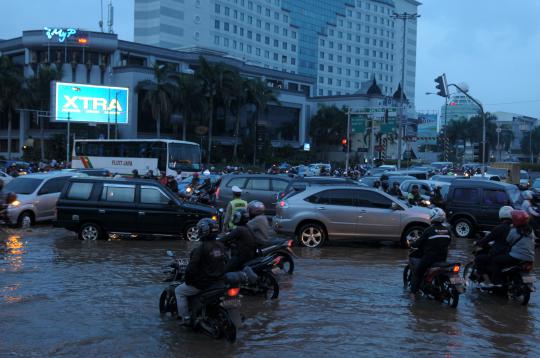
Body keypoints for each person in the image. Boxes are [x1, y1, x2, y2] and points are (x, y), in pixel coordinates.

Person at [175, 218, 227, 324]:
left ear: (203, 231)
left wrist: (188, 280)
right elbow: (225, 262)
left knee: (179, 291)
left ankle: (186, 319)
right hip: (219, 282)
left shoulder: (200, 249)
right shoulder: (221, 246)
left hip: (204, 284)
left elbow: (191, 268)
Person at [410, 208, 451, 294]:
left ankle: (413, 295)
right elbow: (448, 242)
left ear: (432, 217)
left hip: (429, 259)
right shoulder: (447, 231)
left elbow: (418, 243)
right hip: (442, 258)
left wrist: (412, 244)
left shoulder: (429, 230)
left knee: (418, 273)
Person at [491, 210, 535, 285]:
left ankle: (498, 282)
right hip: (530, 258)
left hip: (516, 257)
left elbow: (507, 241)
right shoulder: (530, 231)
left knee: (495, 260)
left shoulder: (514, 231)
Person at [472, 206, 513, 282]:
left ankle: (487, 281)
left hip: (501, 253)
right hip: (511, 254)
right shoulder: (515, 228)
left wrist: (477, 243)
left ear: (501, 215)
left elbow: (487, 239)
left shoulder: (500, 227)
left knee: (478, 259)